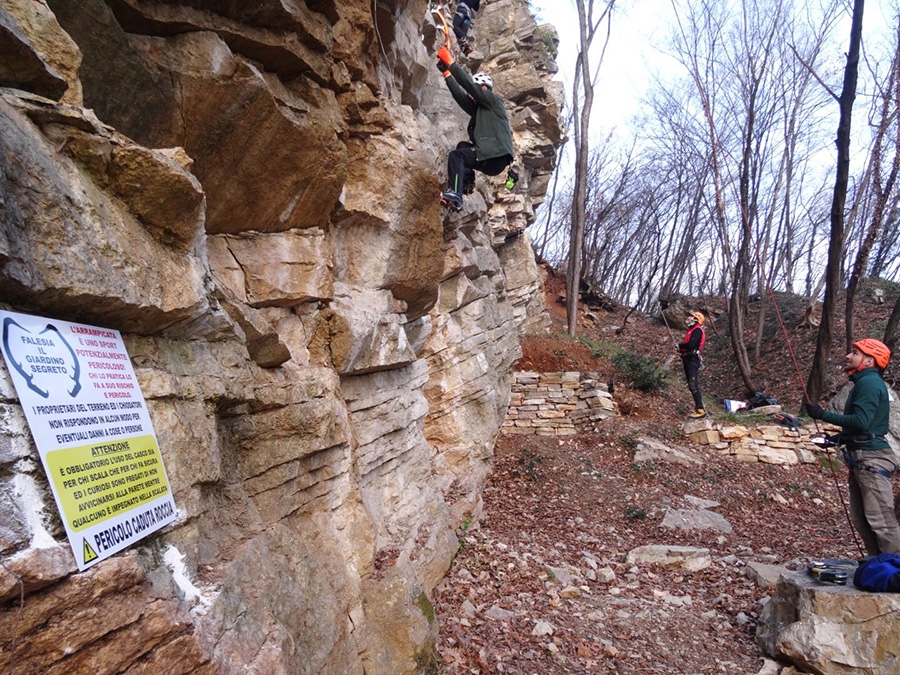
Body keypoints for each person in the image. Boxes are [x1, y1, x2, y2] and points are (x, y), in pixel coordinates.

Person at [806, 338, 900, 556]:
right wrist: (837, 439)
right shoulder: (865, 382)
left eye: (855, 353)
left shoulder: (869, 383)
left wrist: (823, 415)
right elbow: (866, 427)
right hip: (862, 456)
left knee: (882, 520)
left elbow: (861, 422)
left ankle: (893, 571)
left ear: (868, 361)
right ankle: (879, 565)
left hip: (871, 458)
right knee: (862, 518)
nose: (848, 356)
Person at [436, 45, 513, 212]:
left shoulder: (493, 101)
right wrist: (447, 74)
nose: (473, 96)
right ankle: (466, 182)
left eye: (477, 91)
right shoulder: (482, 109)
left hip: (495, 154)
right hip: (492, 159)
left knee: (456, 156)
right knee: (463, 147)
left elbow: (470, 87)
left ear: (483, 88)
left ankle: (455, 192)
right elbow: (462, 98)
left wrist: (451, 63)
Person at [678, 311, 707, 419]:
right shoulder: (691, 330)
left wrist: (679, 345)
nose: (689, 318)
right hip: (688, 358)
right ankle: (699, 408)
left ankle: (700, 409)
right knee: (692, 384)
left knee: (693, 384)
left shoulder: (697, 330)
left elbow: (691, 345)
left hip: (692, 359)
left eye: (691, 317)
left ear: (696, 319)